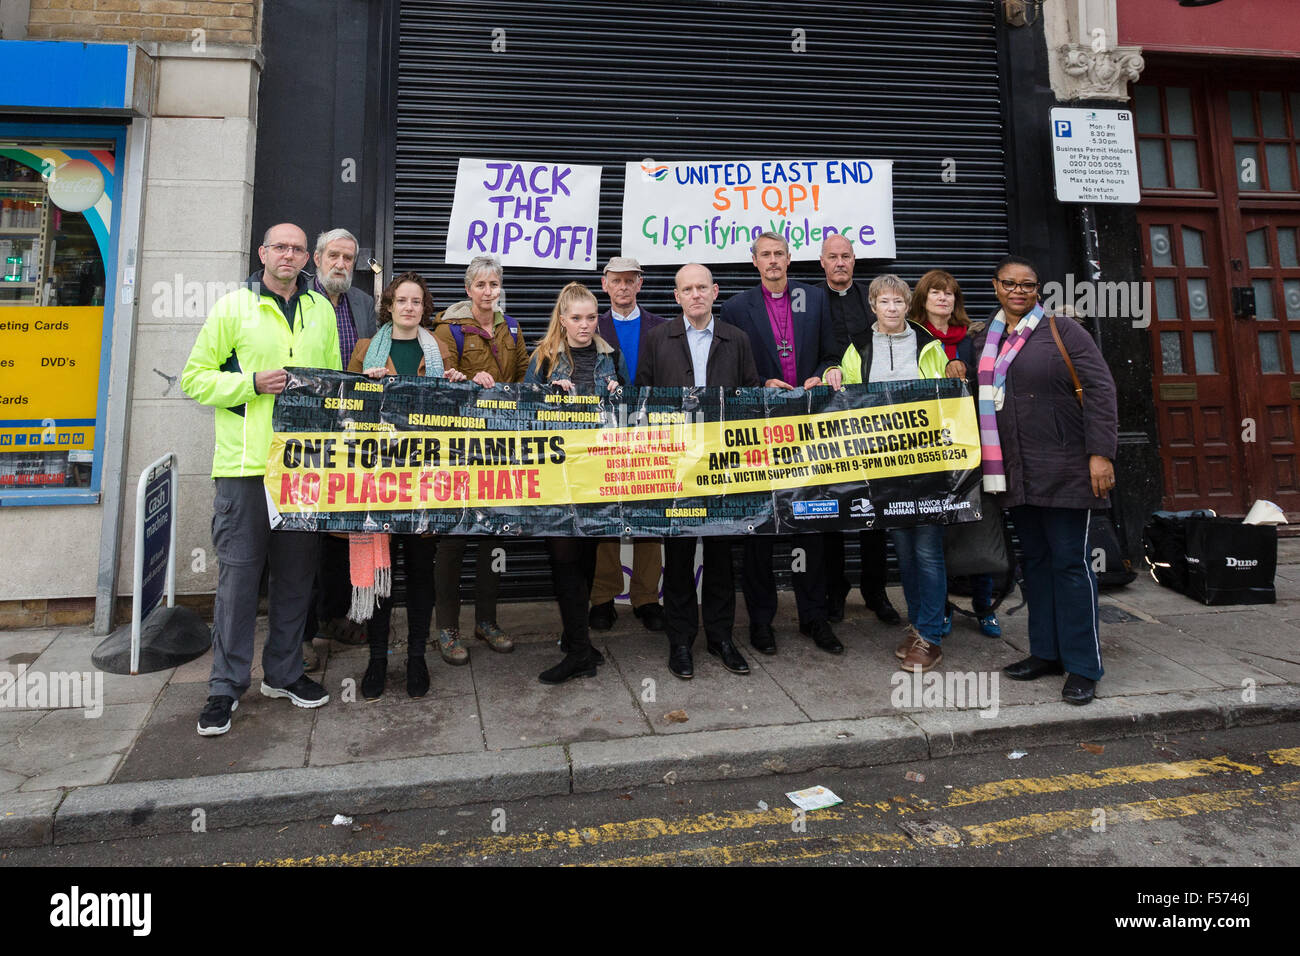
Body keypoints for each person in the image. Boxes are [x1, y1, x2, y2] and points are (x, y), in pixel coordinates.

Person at [181, 223, 340, 736]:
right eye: (281, 247)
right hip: (246, 468)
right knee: (239, 583)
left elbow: (334, 387)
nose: (289, 255)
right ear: (263, 253)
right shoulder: (234, 306)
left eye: (297, 248)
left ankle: (284, 673)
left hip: (302, 468)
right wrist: (250, 383)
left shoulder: (322, 311)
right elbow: (194, 378)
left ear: (305, 258)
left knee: (296, 579)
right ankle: (225, 688)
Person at [971, 256, 1118, 705]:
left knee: (1070, 565)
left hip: (1067, 469)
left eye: (1028, 285)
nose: (1018, 291)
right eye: (1010, 284)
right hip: (1015, 473)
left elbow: (1100, 389)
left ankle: (1082, 667)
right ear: (995, 286)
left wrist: (1100, 454)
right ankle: (1046, 653)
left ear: (1038, 289)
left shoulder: (1063, 331)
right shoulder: (984, 341)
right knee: (1035, 565)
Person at [720, 231, 843, 656]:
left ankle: (814, 616)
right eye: (765, 255)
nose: (773, 261)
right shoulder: (736, 307)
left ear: (790, 259)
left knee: (811, 524)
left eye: (779, 254)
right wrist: (758, 384)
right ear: (753, 261)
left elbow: (833, 354)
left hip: (810, 430)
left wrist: (825, 372)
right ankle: (760, 621)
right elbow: (731, 366)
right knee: (760, 530)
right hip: (762, 431)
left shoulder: (816, 298)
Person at [636, 264, 760, 679]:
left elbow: (750, 397)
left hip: (724, 464)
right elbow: (644, 398)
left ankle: (722, 637)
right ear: (676, 296)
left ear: (715, 291)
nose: (695, 295)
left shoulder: (737, 339)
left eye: (701, 288)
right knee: (679, 554)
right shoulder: (658, 339)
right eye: (686, 289)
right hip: (676, 466)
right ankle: (680, 640)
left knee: (722, 554)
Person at [347, 272, 466, 699]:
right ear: (390, 305)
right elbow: (348, 417)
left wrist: (456, 384)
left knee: (420, 572)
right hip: (378, 482)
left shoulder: (440, 349)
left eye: (417, 301)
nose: (410, 308)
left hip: (425, 482)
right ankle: (377, 659)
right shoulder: (366, 350)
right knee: (381, 573)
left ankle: (417, 657)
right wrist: (365, 389)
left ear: (424, 307)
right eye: (402, 300)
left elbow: (456, 411)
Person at [840, 274, 957, 673]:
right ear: (873, 306)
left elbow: (947, 402)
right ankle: (919, 624)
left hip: (927, 465)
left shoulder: (929, 346)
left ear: (909, 306)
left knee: (927, 549)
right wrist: (829, 376)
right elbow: (848, 402)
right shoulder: (858, 347)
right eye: (884, 302)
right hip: (883, 467)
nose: (892, 308)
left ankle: (931, 637)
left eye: (898, 302)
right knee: (904, 551)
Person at [526, 282, 630, 684]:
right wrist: (549, 395)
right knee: (564, 559)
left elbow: (627, 411)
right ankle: (580, 651)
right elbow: (521, 411)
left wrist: (618, 393)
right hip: (558, 476)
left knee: (585, 560)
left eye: (590, 317)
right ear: (562, 319)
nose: (585, 325)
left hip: (598, 473)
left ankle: (577, 642)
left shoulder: (610, 356)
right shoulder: (545, 358)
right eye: (576, 318)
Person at [430, 255, 528, 665]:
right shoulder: (447, 329)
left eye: (494, 284)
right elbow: (442, 374)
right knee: (453, 540)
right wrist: (470, 381)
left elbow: (525, 374)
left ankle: (486, 621)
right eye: (481, 285)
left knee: (494, 537)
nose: (489, 292)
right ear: (468, 290)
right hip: (459, 448)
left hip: (500, 449)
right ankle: (447, 629)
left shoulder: (512, 327)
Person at [908, 268, 1001, 640]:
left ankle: (985, 606)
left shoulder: (975, 339)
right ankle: (940, 608)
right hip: (926, 449)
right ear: (923, 299)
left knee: (978, 527)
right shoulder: (909, 337)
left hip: (970, 444)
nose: (943, 299)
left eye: (949, 293)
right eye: (935, 293)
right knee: (936, 537)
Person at [300, 228, 377, 669]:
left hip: (353, 437)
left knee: (345, 532)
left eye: (349, 257)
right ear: (317, 257)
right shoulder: (301, 300)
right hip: (312, 433)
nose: (342, 264)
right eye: (334, 255)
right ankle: (304, 632)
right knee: (306, 535)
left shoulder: (362, 303)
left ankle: (336, 616)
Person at [816, 233, 901, 627]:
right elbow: (809, 350)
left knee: (876, 508)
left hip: (876, 420)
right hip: (830, 419)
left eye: (845, 256)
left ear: (854, 260)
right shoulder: (811, 300)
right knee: (831, 505)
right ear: (821, 262)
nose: (839, 263)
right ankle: (835, 591)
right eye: (832, 257)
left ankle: (875, 590)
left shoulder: (874, 298)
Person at [589, 256, 668, 633]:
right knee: (605, 513)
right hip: (604, 432)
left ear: (640, 284)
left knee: (649, 516)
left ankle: (646, 597)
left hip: (650, 431)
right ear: (605, 285)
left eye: (630, 280)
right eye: (615, 280)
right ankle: (603, 597)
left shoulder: (662, 326)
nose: (622, 287)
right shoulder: (592, 323)